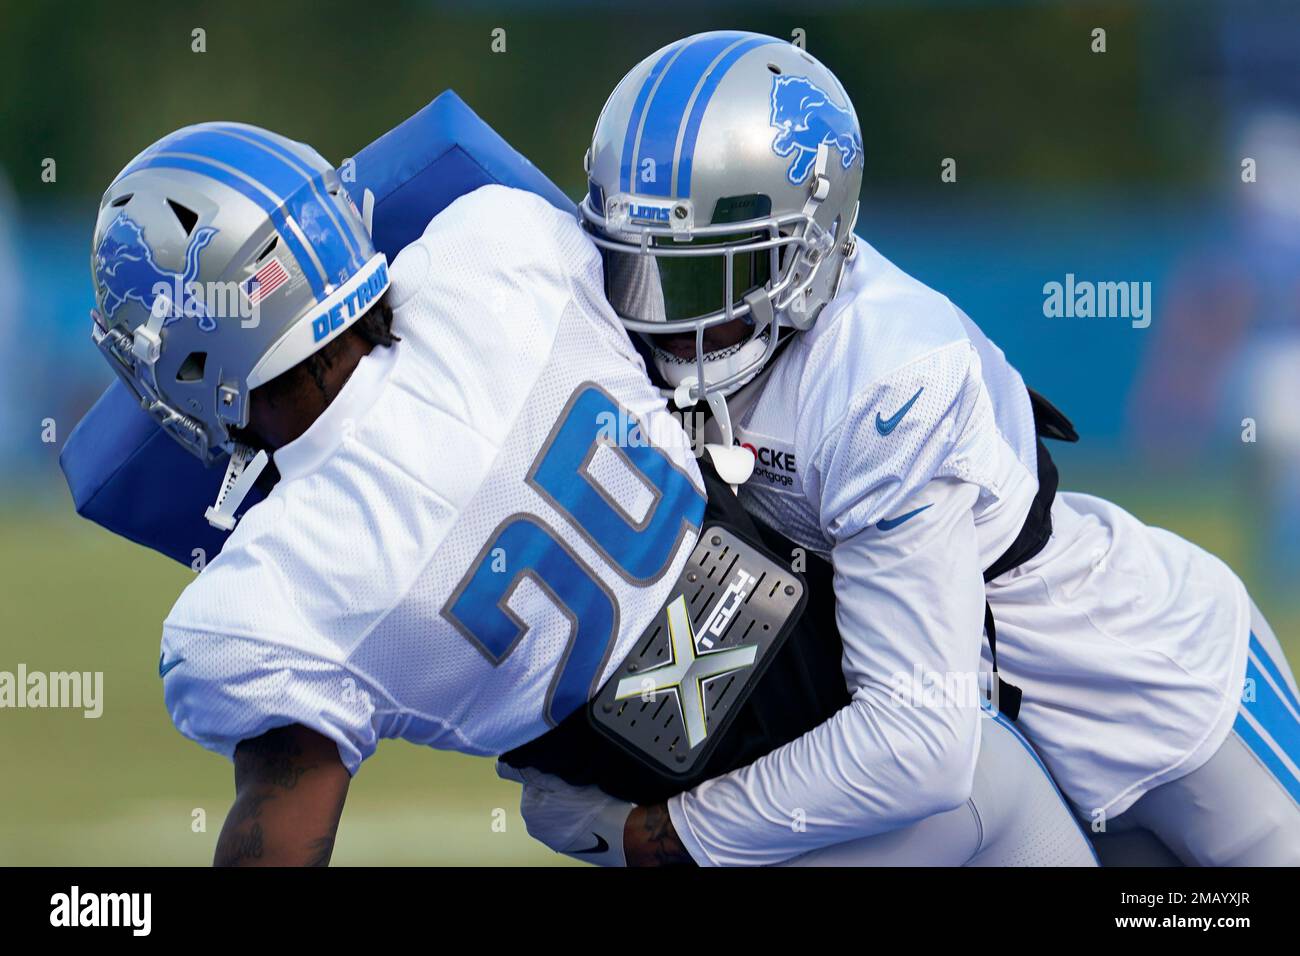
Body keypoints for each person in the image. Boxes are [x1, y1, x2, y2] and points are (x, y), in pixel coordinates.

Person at [522, 29, 1300, 867]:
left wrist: (671, 835)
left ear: (810, 250)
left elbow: (917, 740)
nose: (661, 325)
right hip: (976, 754)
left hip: (1158, 716)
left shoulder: (883, 374)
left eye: (705, 280)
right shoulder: (628, 330)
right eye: (635, 271)